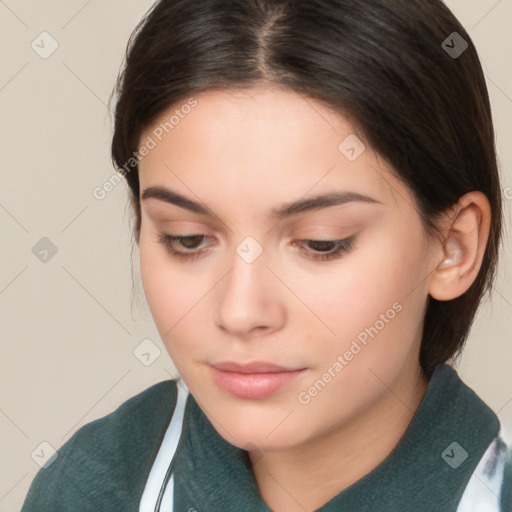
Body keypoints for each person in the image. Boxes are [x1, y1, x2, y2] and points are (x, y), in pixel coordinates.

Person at [21, 0, 511, 510]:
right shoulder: (90, 486)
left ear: (455, 247)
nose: (240, 311)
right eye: (187, 239)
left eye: (321, 242)